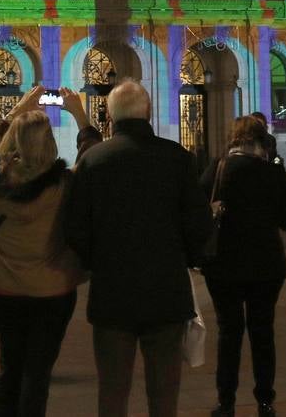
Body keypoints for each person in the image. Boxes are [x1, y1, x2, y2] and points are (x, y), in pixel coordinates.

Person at [65, 79, 214, 417]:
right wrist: (187, 259)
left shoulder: (93, 161)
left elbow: (75, 228)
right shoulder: (178, 159)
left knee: (113, 390)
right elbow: (199, 224)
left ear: (110, 116)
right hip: (166, 291)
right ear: (148, 112)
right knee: (164, 393)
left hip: (112, 293)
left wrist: (94, 262)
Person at [0, 87, 92, 417]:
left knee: (9, 367)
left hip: (4, 286)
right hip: (53, 288)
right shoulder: (65, 184)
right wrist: (79, 114)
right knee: (38, 373)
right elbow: (92, 156)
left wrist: (16, 111)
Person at [201, 117, 286, 417]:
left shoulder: (217, 169)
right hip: (266, 266)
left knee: (228, 332)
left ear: (233, 139)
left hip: (223, 266)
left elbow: (196, 212)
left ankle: (226, 401)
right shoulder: (271, 172)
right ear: (261, 141)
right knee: (262, 332)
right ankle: (265, 401)